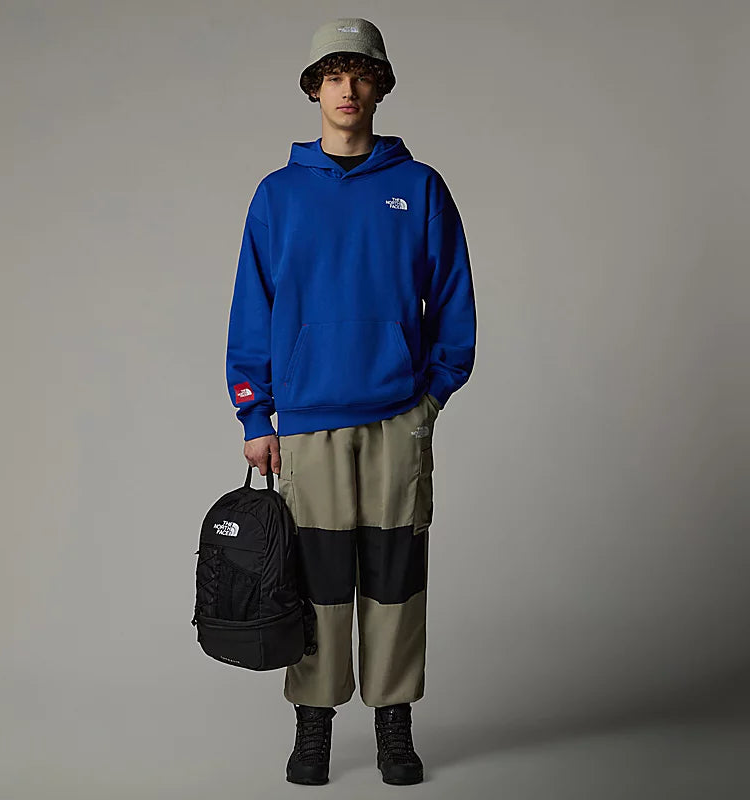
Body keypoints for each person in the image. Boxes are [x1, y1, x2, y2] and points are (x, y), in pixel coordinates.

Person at [225, 17, 476, 786]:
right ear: (314, 89)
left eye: (361, 74)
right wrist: (255, 414)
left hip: (398, 416)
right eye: (333, 75)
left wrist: (432, 395)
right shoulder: (277, 196)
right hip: (309, 424)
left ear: (380, 86)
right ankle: (314, 726)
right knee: (318, 583)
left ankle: (395, 724)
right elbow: (252, 310)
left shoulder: (419, 188)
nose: (348, 89)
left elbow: (453, 299)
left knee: (397, 578)